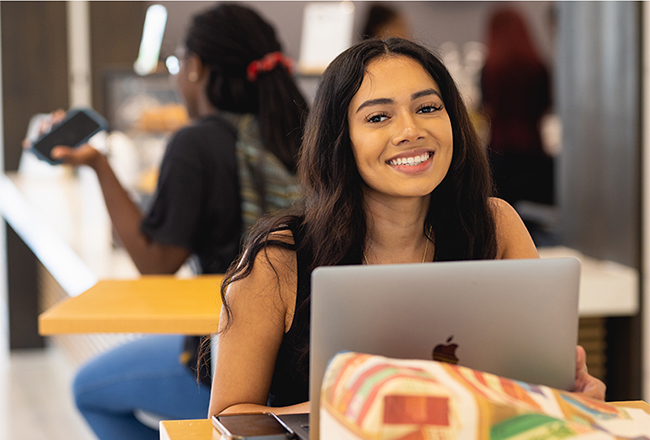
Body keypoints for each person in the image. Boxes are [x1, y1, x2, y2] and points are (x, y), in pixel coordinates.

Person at [207, 37, 606, 418]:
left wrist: (567, 394)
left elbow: (530, 390)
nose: (411, 131)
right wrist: (359, 405)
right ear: (340, 139)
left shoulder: (495, 225)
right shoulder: (278, 260)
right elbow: (228, 416)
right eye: (379, 117)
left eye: (428, 108)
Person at [25, 4, 307, 439]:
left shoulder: (196, 143)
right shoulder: (304, 129)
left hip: (223, 368)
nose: (175, 78)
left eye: (177, 63)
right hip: (301, 365)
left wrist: (98, 165)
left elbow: (156, 261)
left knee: (88, 389)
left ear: (197, 69)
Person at [481, 7, 554, 208]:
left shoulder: (490, 69)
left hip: (500, 149)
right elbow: (547, 104)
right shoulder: (537, 66)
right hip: (533, 147)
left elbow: (487, 108)